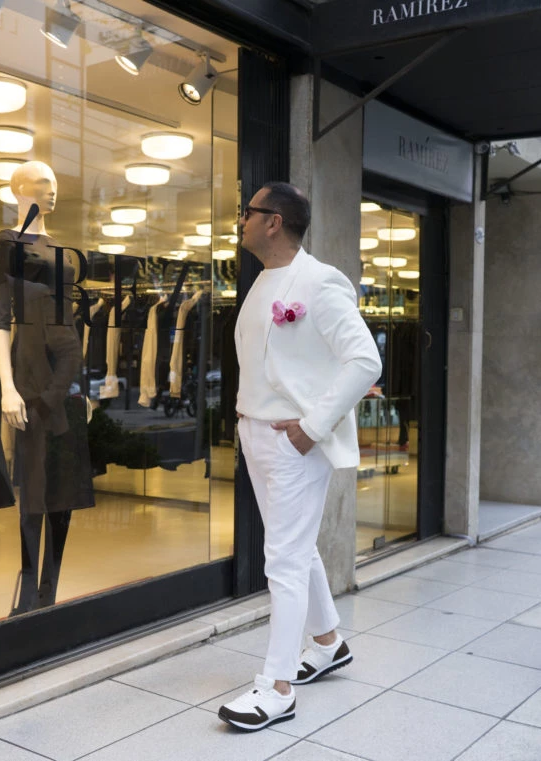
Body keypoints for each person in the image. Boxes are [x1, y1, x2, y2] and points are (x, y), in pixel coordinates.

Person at [218, 182, 380, 731]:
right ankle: (329, 643)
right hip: (258, 433)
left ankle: (277, 686)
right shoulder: (263, 280)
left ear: (274, 223)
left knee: (283, 559)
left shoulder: (319, 281)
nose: (240, 220)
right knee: (296, 547)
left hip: (292, 441)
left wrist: (313, 426)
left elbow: (364, 359)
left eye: (249, 212)